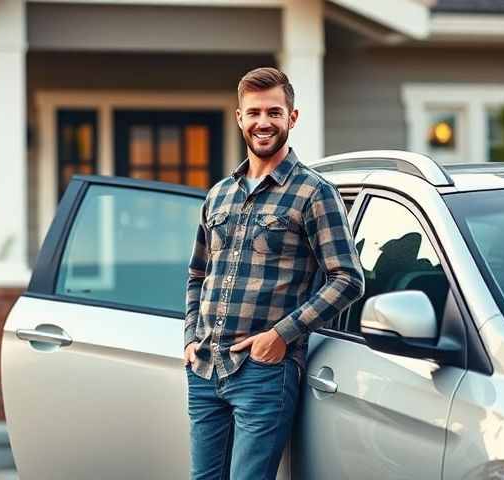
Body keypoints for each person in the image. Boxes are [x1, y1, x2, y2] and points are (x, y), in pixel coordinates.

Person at [183, 67, 365, 480]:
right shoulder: (219, 194)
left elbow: (347, 279)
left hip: (263, 372)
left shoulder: (314, 193)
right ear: (239, 118)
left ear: (292, 118)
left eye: (274, 112)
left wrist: (279, 336)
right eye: (254, 113)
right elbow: (198, 274)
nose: (263, 122)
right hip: (206, 369)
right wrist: (191, 338)